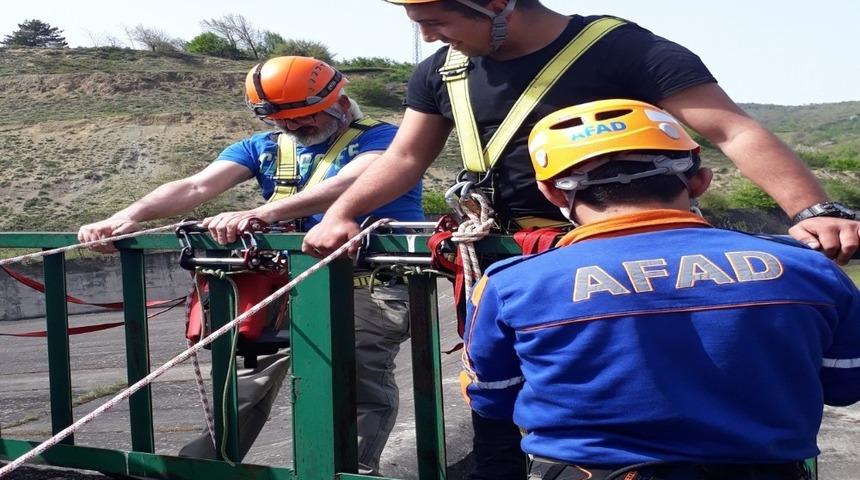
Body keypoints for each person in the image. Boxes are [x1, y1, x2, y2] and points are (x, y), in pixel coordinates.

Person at [302, 3, 858, 476]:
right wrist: (342, 212)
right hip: (508, 255)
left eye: (436, 19)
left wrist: (815, 210)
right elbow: (404, 156)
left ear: (498, 4)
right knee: (501, 406)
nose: (426, 35)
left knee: (652, 381)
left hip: (609, 246)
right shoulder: (442, 71)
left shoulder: (622, 49)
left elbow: (729, 127)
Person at [461, 99, 860, 480]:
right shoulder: (806, 268)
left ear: (551, 192)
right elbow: (845, 385)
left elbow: (492, 397)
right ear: (700, 180)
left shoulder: (511, 283)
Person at [77, 55, 423, 475]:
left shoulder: (385, 141)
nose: (293, 128)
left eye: (305, 119)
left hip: (367, 285)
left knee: (356, 380)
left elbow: (353, 180)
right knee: (246, 382)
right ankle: (201, 468)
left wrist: (267, 214)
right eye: (282, 121)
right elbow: (197, 185)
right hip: (286, 286)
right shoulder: (262, 149)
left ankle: (348, 471)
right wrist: (128, 216)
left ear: (340, 102)